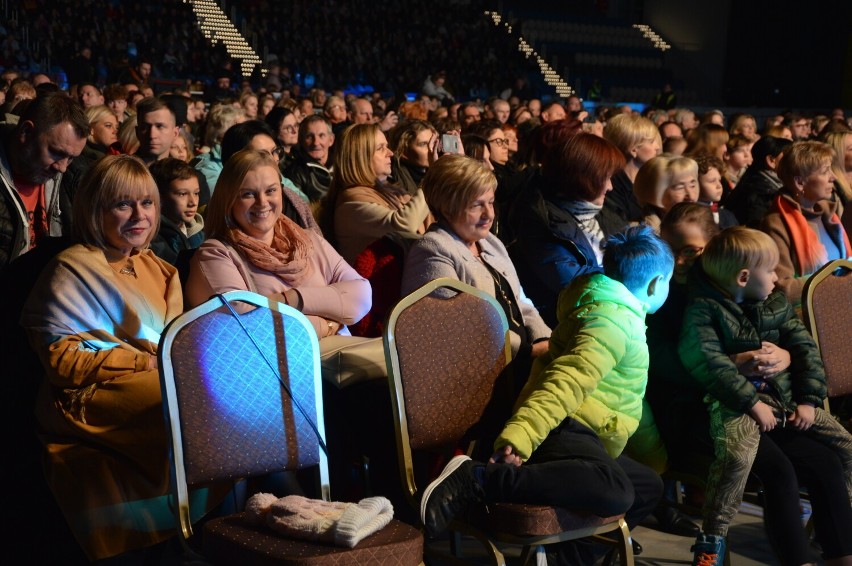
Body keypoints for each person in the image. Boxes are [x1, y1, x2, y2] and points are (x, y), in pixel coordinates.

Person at [420, 225, 673, 566]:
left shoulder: (623, 316)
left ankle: (568, 559)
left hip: (591, 434)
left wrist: (653, 456)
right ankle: (478, 478)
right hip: (563, 427)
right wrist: (520, 437)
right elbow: (564, 381)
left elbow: (629, 402)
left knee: (647, 486)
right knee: (616, 488)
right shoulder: (611, 321)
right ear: (656, 284)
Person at [19, 155, 225, 561]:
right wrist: (141, 363)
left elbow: (174, 342)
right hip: (85, 394)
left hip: (151, 377)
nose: (139, 215)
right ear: (96, 209)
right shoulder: (71, 267)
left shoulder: (162, 270)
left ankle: (203, 533)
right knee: (183, 408)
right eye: (123, 205)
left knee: (223, 399)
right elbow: (61, 362)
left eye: (147, 203)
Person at [678, 226, 852, 566]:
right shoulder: (702, 310)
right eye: (770, 270)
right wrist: (752, 403)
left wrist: (808, 399)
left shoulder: (773, 302)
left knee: (839, 449)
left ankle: (842, 549)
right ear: (743, 277)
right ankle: (712, 540)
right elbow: (708, 363)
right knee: (751, 462)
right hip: (733, 409)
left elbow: (805, 349)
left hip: (784, 403)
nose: (778, 277)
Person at [184, 149, 371, 341]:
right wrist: (326, 324)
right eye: (248, 194)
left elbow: (361, 295)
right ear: (229, 200)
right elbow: (251, 328)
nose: (262, 202)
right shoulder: (216, 254)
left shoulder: (307, 239)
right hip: (284, 368)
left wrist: (289, 299)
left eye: (271, 190)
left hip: (340, 359)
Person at [401, 154, 550, 384]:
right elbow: (459, 331)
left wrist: (545, 339)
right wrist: (528, 354)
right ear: (448, 209)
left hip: (518, 365)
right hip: (472, 383)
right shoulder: (432, 250)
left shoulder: (490, 242)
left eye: (490, 202)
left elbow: (520, 303)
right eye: (476, 205)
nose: (489, 214)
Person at [509, 132, 628, 326]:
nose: (610, 187)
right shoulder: (541, 225)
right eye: (604, 178)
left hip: (610, 316)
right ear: (582, 178)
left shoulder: (604, 210)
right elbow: (577, 284)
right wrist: (633, 271)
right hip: (570, 327)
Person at [321, 123, 432, 264]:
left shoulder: (392, 191)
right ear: (360, 157)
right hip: (377, 283)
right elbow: (405, 225)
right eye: (380, 148)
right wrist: (433, 177)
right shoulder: (351, 204)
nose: (390, 153)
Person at [0, 92, 88, 267]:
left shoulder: (73, 176)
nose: (62, 167)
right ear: (26, 132)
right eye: (57, 152)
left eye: (71, 158)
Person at [762, 141, 851, 308]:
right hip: (809, 318)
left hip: (842, 308)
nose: (834, 177)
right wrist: (835, 284)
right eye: (825, 172)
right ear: (800, 182)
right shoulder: (777, 223)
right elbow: (781, 289)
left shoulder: (829, 215)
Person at [603, 114, 662, 224]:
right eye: (651, 142)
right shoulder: (611, 186)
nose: (657, 147)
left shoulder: (652, 178)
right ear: (633, 150)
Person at [723, 136, 792, 228]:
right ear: (771, 160)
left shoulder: (764, 183)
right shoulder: (761, 194)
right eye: (789, 156)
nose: (795, 160)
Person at [149, 157, 205, 265]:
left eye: (196, 193)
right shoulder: (153, 242)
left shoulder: (199, 235)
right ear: (159, 197)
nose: (192, 202)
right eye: (182, 194)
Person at [634, 154, 700, 233]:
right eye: (680, 188)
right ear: (655, 191)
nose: (691, 196)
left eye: (692, 185)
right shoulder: (640, 233)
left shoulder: (703, 223)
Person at [281, 114, 335, 202]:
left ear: (331, 140)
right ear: (301, 140)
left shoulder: (343, 165)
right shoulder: (295, 173)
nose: (316, 143)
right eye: (309, 136)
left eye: (321, 136)